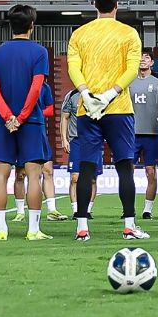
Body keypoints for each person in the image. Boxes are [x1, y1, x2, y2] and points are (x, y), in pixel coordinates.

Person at [67, 0, 146, 242]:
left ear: (94, 5)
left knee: (86, 168)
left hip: (87, 109)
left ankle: (82, 228)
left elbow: (73, 68)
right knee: (124, 167)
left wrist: (87, 94)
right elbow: (132, 70)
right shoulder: (129, 33)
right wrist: (110, 95)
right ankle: (129, 226)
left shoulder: (79, 34)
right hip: (119, 109)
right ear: (116, 5)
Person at [0, 4, 52, 241]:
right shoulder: (39, 52)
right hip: (31, 122)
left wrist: (8, 116)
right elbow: (36, 88)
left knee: (0, 175)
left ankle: (1, 229)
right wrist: (22, 117)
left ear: (10, 26)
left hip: (4, 123)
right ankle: (33, 230)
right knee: (34, 176)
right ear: (32, 26)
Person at [132, 49, 158, 220]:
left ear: (152, 62)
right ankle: (128, 208)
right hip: (131, 135)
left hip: (151, 133)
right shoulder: (129, 81)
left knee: (151, 172)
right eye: (140, 57)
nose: (142, 60)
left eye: (146, 58)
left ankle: (147, 210)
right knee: (127, 172)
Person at [60, 87, 100, 219]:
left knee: (92, 178)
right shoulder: (72, 95)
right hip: (76, 141)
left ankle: (87, 210)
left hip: (93, 141)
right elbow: (65, 117)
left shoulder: (99, 92)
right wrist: (64, 139)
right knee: (75, 177)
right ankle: (76, 210)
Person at [39, 80, 68, 221]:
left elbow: (50, 110)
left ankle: (52, 210)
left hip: (38, 131)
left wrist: (34, 114)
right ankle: (20, 212)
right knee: (21, 174)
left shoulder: (44, 86)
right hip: (19, 130)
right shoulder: (17, 83)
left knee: (48, 171)